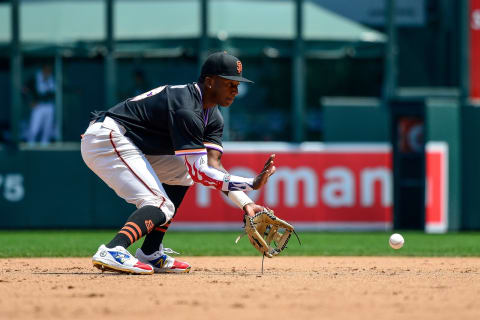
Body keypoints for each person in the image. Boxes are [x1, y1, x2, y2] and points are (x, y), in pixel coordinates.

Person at [80, 52, 276, 275]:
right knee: (159, 202)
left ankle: (151, 252)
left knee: (183, 173)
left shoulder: (212, 116)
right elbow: (202, 172)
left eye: (237, 84)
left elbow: (211, 167)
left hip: (129, 143)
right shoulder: (186, 106)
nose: (235, 90)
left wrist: (245, 203)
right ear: (210, 82)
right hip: (107, 138)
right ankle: (114, 249)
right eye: (229, 83)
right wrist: (251, 182)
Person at [27, 64, 56, 145]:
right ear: (43, 70)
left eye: (50, 70)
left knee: (48, 127)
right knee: (34, 127)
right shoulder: (35, 78)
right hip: (38, 105)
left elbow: (55, 91)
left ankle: (45, 143)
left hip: (49, 105)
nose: (48, 72)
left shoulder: (52, 79)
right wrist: (30, 101)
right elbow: (25, 90)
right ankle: (30, 144)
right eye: (46, 70)